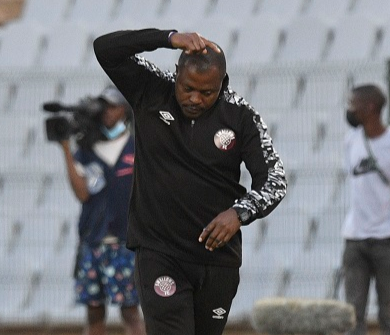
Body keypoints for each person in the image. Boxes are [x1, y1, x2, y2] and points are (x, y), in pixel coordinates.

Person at [93, 29, 287, 335]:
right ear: (177, 74)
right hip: (159, 252)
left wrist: (239, 213)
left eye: (206, 92)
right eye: (187, 88)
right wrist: (167, 37)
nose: (194, 98)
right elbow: (105, 48)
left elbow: (275, 181)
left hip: (217, 261)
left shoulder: (241, 116)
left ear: (221, 84)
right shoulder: (151, 89)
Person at [59, 86, 145, 335]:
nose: (108, 112)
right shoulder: (87, 151)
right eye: (104, 107)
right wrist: (66, 148)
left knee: (130, 311)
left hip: (125, 242)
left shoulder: (136, 148)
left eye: (114, 106)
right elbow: (83, 193)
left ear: (125, 110)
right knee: (94, 313)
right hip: (93, 240)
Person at [343, 84, 390, 335]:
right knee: (353, 315)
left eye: (354, 104)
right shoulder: (351, 140)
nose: (349, 109)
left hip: (386, 239)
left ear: (370, 107)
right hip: (355, 239)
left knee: (389, 312)